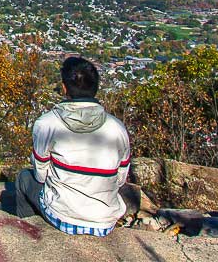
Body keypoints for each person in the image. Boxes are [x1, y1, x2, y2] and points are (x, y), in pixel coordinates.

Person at [15, 56, 131, 237]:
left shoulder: (47, 124)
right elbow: (120, 179)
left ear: (64, 87)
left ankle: (28, 236)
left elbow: (40, 175)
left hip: (61, 216)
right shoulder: (117, 129)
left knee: (23, 178)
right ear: (95, 87)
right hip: (105, 222)